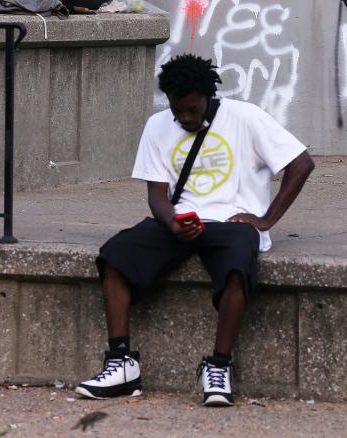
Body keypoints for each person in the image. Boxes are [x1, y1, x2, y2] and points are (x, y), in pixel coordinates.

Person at [75, 54, 314, 406]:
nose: (184, 117)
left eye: (192, 109)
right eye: (178, 110)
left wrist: (265, 220)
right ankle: (122, 364)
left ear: (208, 96)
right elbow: (156, 195)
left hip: (233, 222)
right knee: (116, 256)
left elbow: (301, 163)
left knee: (237, 267)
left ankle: (218, 367)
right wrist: (172, 222)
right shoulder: (157, 126)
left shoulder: (245, 118)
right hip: (181, 221)